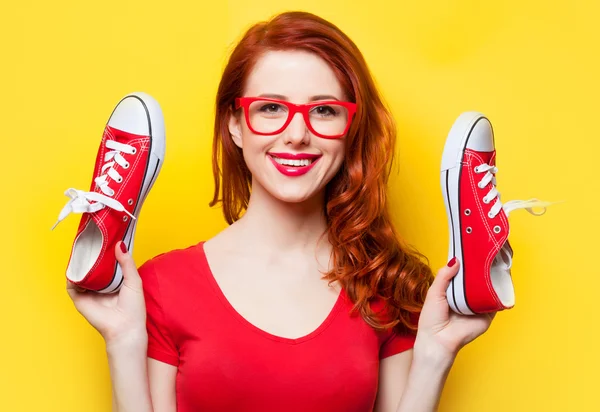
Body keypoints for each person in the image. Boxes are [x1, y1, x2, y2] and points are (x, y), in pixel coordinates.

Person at [67, 11, 495, 412]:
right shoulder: (162, 286)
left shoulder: (385, 284)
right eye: (270, 108)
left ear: (351, 130)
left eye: (324, 111)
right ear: (234, 123)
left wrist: (437, 354)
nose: (296, 134)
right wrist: (122, 340)